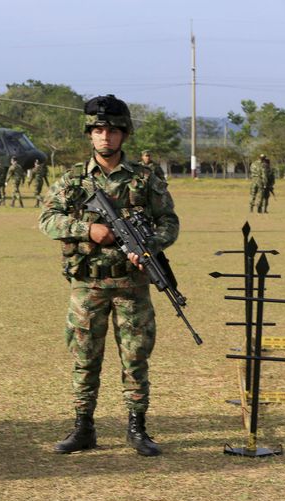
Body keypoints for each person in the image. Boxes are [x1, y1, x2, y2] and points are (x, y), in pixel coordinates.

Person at [39, 94, 179, 457]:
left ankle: (137, 427)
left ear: (124, 135)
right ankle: (83, 427)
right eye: (99, 130)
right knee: (85, 358)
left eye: (113, 130)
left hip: (132, 285)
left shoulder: (145, 179)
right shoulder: (72, 180)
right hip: (88, 284)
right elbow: (48, 220)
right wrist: (89, 230)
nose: (106, 137)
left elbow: (169, 221)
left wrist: (150, 244)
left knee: (135, 358)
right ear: (89, 134)